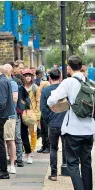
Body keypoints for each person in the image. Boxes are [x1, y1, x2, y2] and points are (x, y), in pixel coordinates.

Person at [47, 55, 95, 190]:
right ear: (81, 66)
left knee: (73, 164)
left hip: (73, 130)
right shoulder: (89, 82)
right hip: (89, 130)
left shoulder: (68, 82)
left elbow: (50, 100)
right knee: (86, 163)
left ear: (69, 68)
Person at [41, 69, 66, 181]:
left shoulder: (46, 91)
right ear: (60, 77)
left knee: (53, 148)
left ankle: (54, 174)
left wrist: (49, 120)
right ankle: (70, 170)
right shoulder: (64, 89)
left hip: (53, 124)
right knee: (67, 148)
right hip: (65, 123)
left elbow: (43, 109)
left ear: (50, 78)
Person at [21, 69, 41, 163]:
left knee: (33, 133)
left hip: (33, 113)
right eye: (26, 76)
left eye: (29, 75)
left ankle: (32, 150)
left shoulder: (35, 87)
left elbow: (38, 101)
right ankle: (26, 151)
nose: (27, 77)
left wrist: (37, 114)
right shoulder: (21, 87)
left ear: (32, 77)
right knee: (24, 133)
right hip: (24, 112)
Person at [2, 64, 18, 174]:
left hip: (9, 116)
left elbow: (15, 99)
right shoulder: (0, 82)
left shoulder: (12, 83)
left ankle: (12, 164)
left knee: (10, 139)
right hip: (1, 116)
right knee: (2, 140)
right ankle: (3, 163)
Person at [37, 80, 51, 153]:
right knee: (43, 131)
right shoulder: (42, 93)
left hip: (47, 114)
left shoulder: (46, 93)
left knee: (46, 131)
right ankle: (44, 146)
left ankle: (48, 147)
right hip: (43, 114)